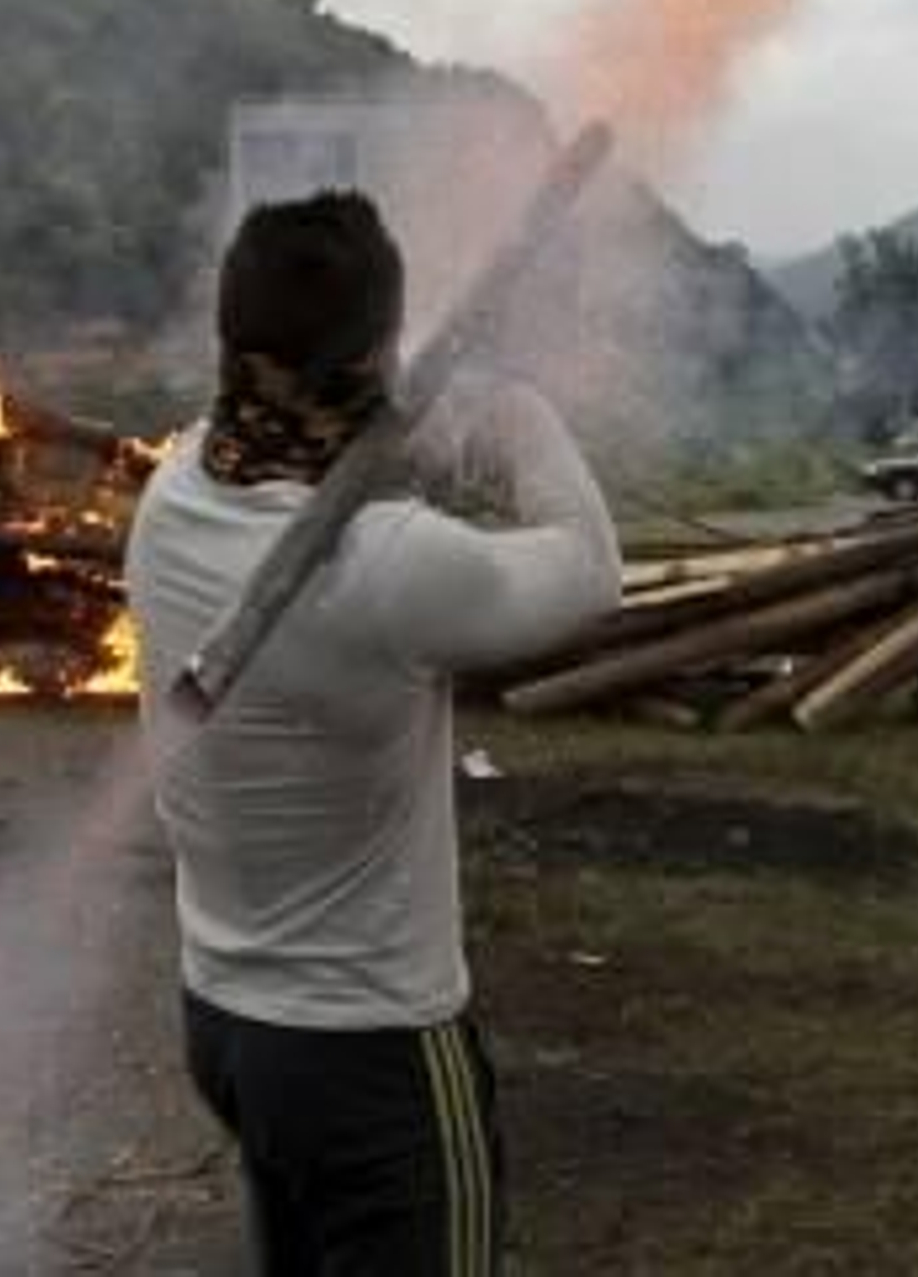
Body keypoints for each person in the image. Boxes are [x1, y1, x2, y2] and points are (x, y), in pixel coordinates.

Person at [126, 188, 620, 1276]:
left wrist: (404, 438)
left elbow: (329, 473)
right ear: (382, 348)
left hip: (226, 1020)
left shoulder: (168, 494)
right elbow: (589, 566)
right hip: (371, 1053)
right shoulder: (391, 568)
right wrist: (511, 415)